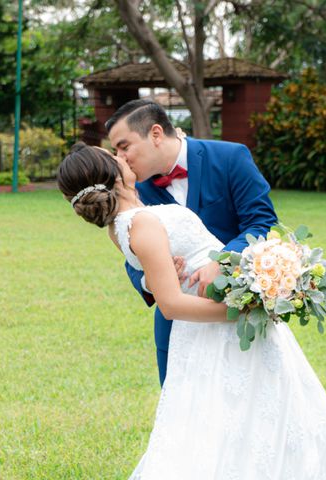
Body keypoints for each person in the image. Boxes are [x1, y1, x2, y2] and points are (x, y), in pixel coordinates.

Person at [57, 143, 326, 479]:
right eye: (114, 156)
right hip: (217, 326)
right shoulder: (141, 222)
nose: (123, 157)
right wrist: (242, 309)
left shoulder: (125, 224)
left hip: (216, 319)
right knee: (238, 423)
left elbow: (163, 276)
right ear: (109, 174)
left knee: (248, 418)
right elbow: (171, 304)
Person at [105, 99, 278, 386]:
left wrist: (223, 261)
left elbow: (262, 222)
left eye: (125, 147)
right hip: (177, 324)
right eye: (116, 151)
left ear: (156, 134)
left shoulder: (230, 157)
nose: (121, 159)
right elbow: (131, 252)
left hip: (238, 312)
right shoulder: (132, 190)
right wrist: (152, 281)